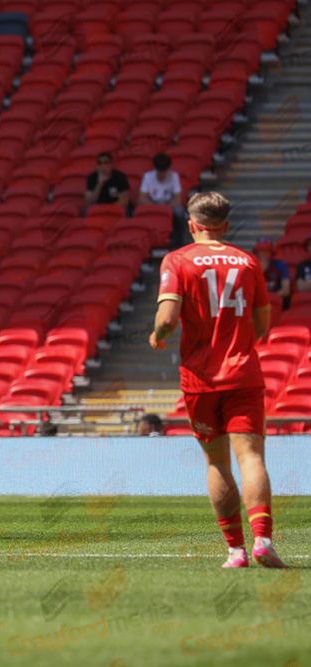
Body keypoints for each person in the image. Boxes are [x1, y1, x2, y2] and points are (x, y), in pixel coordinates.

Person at [149, 192, 284, 569]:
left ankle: (236, 551)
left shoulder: (177, 260)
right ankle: (263, 540)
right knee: (251, 456)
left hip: (200, 379)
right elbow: (262, 323)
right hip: (243, 373)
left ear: (192, 224)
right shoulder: (248, 261)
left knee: (217, 463)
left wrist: (157, 336)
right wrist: (237, 344)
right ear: (225, 225)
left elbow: (167, 318)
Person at [138, 153, 187, 248]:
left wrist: (165, 207)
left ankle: (178, 241)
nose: (162, 174)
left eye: (164, 171)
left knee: (179, 211)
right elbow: (141, 199)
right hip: (153, 204)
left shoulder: (174, 176)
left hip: (169, 204)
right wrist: (155, 206)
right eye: (160, 171)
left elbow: (177, 199)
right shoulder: (148, 176)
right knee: (139, 211)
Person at [253, 236, 291, 310]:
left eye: (266, 250)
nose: (263, 253)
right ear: (256, 252)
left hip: (276, 302)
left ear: (271, 252)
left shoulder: (280, 265)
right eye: (260, 250)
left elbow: (286, 289)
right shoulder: (252, 266)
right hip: (257, 304)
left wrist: (273, 297)